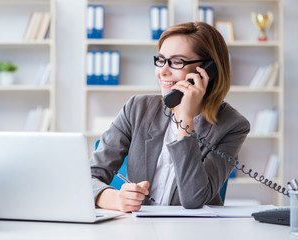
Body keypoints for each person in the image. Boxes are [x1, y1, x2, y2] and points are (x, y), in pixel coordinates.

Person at [90, 22, 250, 213]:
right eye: (160, 60)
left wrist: (185, 120)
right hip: (138, 229)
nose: (163, 71)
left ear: (207, 70)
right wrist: (115, 199)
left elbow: (194, 199)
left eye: (176, 62)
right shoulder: (137, 108)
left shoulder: (232, 125)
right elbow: (89, 178)